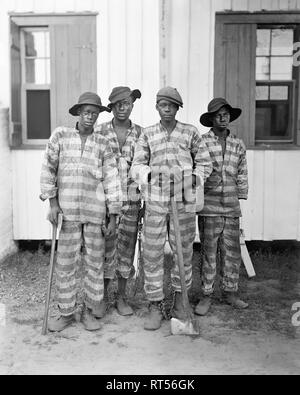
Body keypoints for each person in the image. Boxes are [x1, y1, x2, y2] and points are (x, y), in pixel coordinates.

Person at [131, 86, 212, 331]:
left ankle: (180, 303)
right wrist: (151, 174)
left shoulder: (190, 133)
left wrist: (191, 180)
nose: (167, 109)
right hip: (156, 202)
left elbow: (204, 163)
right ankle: (155, 305)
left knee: (182, 252)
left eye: (172, 105)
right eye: (163, 105)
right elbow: (137, 165)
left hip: (183, 203)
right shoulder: (147, 134)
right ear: (157, 107)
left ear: (178, 108)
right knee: (152, 254)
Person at [40, 92, 121, 332]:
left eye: (95, 113)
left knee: (94, 263)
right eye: (86, 112)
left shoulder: (103, 143)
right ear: (78, 113)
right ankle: (66, 313)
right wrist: (53, 204)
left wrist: (113, 215)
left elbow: (112, 179)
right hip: (67, 213)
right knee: (66, 264)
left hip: (95, 213)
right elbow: (48, 169)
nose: (90, 117)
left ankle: (88, 311)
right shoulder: (61, 136)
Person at [195, 97, 249, 316]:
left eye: (225, 114)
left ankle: (230, 292)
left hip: (231, 207)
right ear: (211, 119)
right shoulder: (203, 142)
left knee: (231, 252)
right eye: (218, 115)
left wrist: (241, 193)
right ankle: (206, 295)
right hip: (209, 207)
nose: (222, 118)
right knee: (209, 252)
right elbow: (198, 170)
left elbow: (242, 171)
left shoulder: (238, 143)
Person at [95, 86, 143, 317]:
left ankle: (122, 298)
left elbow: (146, 168)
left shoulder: (142, 134)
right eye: (118, 104)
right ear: (111, 107)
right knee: (105, 250)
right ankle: (102, 297)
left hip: (132, 201)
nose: (123, 108)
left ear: (133, 105)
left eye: (127, 103)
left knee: (126, 250)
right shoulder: (100, 132)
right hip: (105, 202)